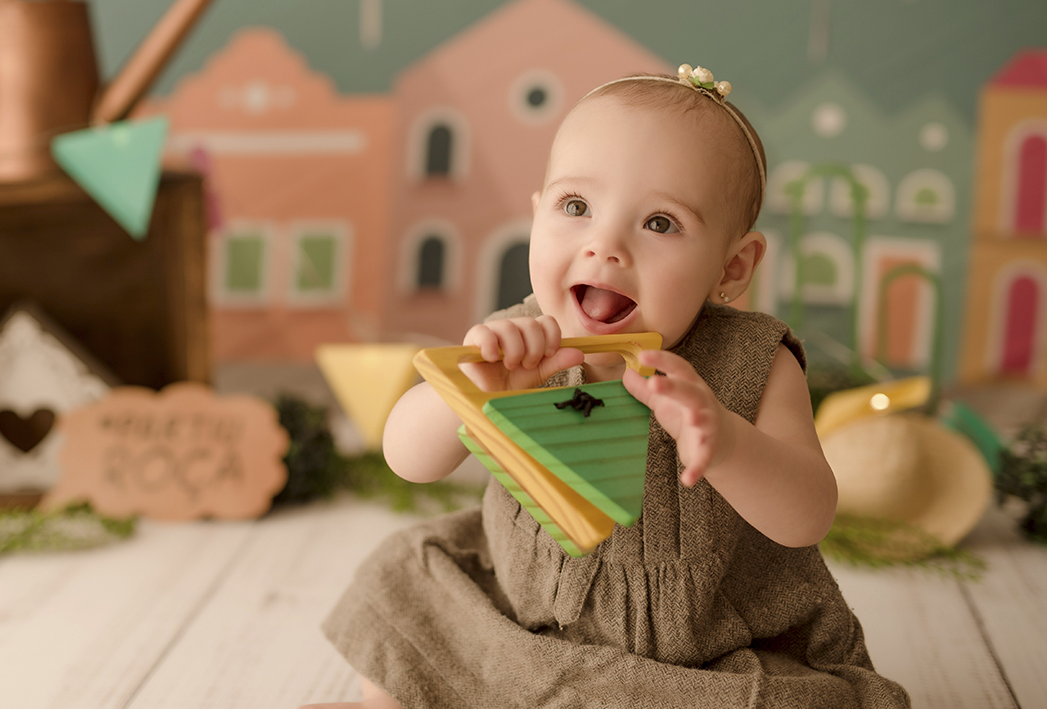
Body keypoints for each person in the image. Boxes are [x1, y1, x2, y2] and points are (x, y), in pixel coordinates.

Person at [303, 66, 911, 708]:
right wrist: (471, 394)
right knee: (406, 575)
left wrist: (727, 442)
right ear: (536, 217)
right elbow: (407, 459)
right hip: (524, 621)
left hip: (702, 658)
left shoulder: (750, 361)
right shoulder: (518, 339)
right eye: (576, 207)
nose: (605, 245)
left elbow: (808, 516)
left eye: (659, 224)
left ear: (731, 269)